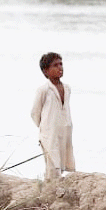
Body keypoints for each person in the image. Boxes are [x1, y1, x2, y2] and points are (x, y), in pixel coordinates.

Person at [31, 52, 75, 180]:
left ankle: (56, 185)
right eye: (55, 65)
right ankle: (50, 187)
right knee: (52, 163)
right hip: (48, 132)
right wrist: (45, 126)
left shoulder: (67, 88)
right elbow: (35, 112)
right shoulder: (44, 90)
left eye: (61, 64)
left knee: (62, 161)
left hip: (63, 130)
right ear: (46, 71)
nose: (60, 68)